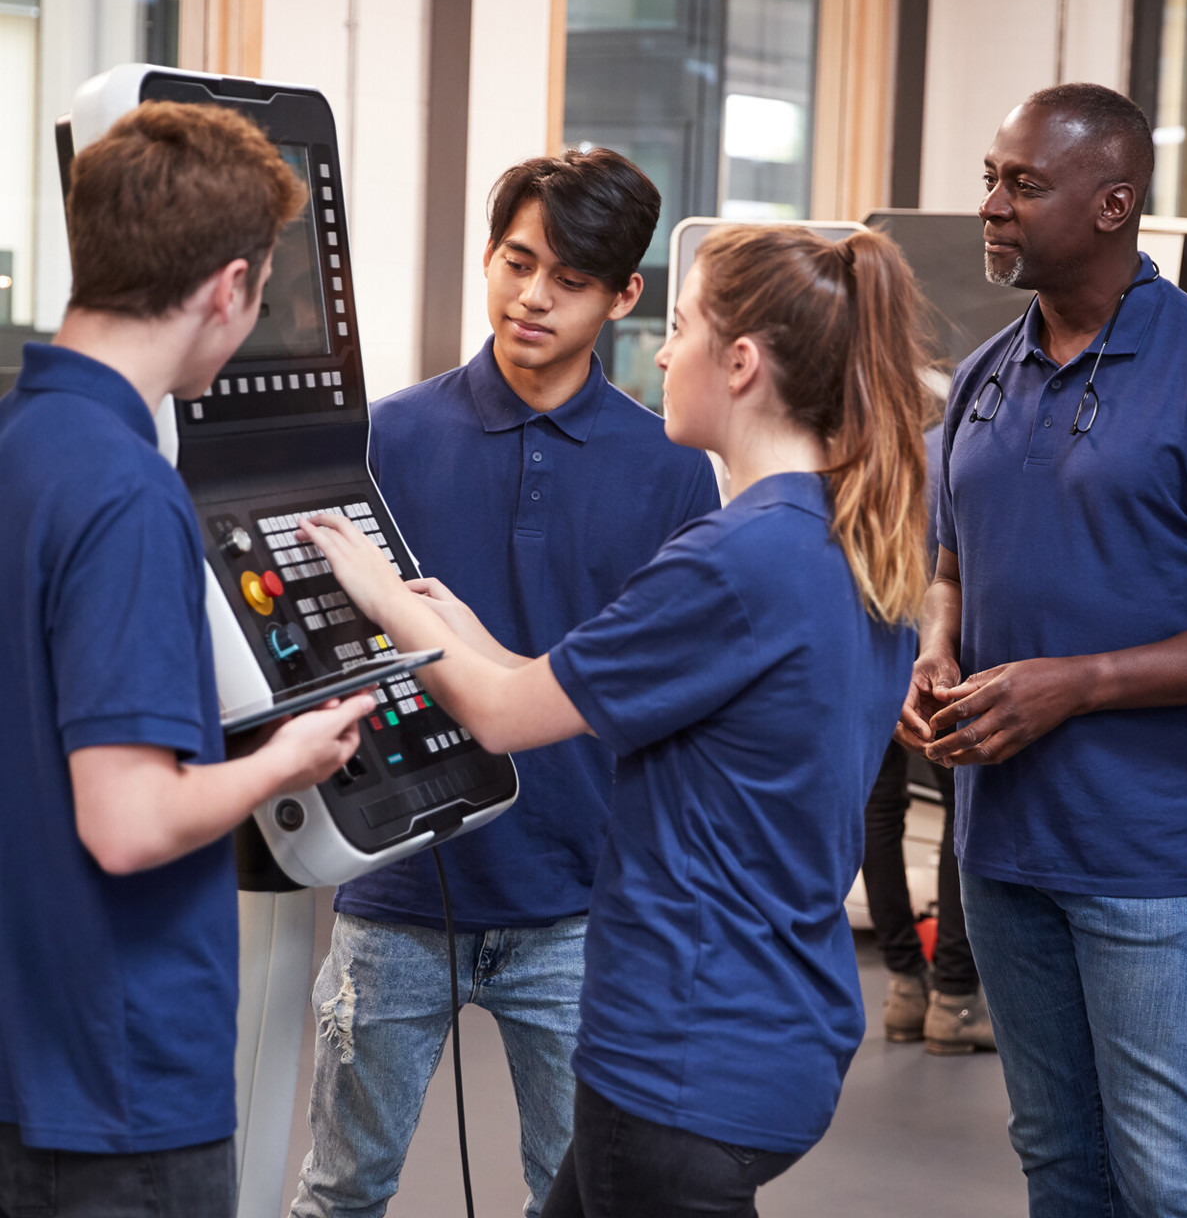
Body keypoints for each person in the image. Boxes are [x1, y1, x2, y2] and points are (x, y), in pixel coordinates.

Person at [295, 221, 932, 1218]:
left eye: (677, 329)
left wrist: (378, 593)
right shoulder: (834, 535)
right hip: (770, 1026)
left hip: (686, 1048)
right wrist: (462, 627)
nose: (664, 353)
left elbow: (504, 716)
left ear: (741, 363)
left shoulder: (732, 561)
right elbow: (577, 694)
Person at [290, 149, 720, 1218]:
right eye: (516, 261)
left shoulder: (670, 464)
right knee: (340, 1190)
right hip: (394, 887)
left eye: (569, 280)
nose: (532, 297)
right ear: (487, 256)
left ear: (624, 296)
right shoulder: (385, 435)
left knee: (573, 1196)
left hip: (577, 905)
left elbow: (672, 693)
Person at [896, 81, 1187, 1217]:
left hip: (1150, 858)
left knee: (1165, 1178)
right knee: (1058, 1166)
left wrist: (1081, 683)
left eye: (1023, 184)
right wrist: (934, 647)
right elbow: (950, 565)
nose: (992, 207)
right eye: (989, 179)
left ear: (1112, 203)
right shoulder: (982, 376)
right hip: (1002, 846)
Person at [0, 101, 373, 1218]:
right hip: (120, 1086)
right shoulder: (125, 494)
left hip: (28, 1044)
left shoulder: (22, 445)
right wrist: (288, 756)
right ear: (229, 288)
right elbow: (128, 819)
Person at [865, 423, 994, 1055]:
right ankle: (954, 996)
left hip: (867, 648)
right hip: (939, 657)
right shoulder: (971, 445)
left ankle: (903, 988)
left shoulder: (884, 449)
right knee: (957, 811)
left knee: (878, 811)